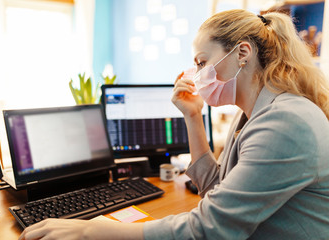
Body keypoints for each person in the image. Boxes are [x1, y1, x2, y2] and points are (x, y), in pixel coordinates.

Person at [19, 9, 329, 240]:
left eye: (202, 62)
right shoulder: (253, 112)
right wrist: (193, 117)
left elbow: (209, 227)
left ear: (243, 53)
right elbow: (218, 191)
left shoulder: (286, 121)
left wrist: (92, 231)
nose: (197, 75)